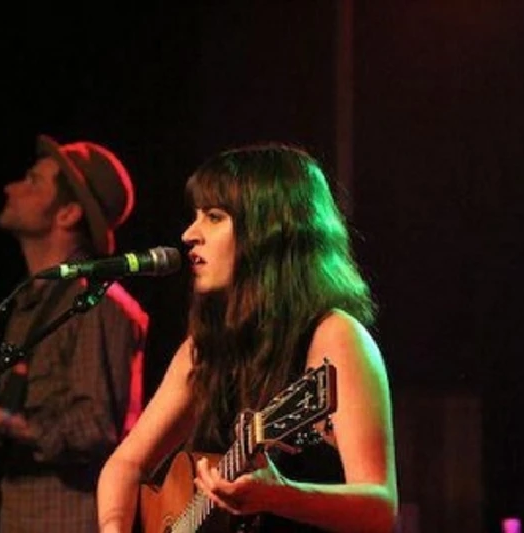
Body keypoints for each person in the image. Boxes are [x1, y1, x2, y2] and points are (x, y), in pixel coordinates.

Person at [97, 143, 397, 532]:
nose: (189, 234)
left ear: (270, 230)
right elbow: (124, 465)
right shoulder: (205, 348)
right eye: (196, 216)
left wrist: (279, 494)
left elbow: (380, 509)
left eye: (215, 217)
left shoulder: (334, 336)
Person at [0, 135, 148, 532]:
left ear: (67, 213)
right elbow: (27, 424)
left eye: (32, 181)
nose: (10, 187)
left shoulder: (97, 303)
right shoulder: (30, 303)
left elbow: (93, 429)